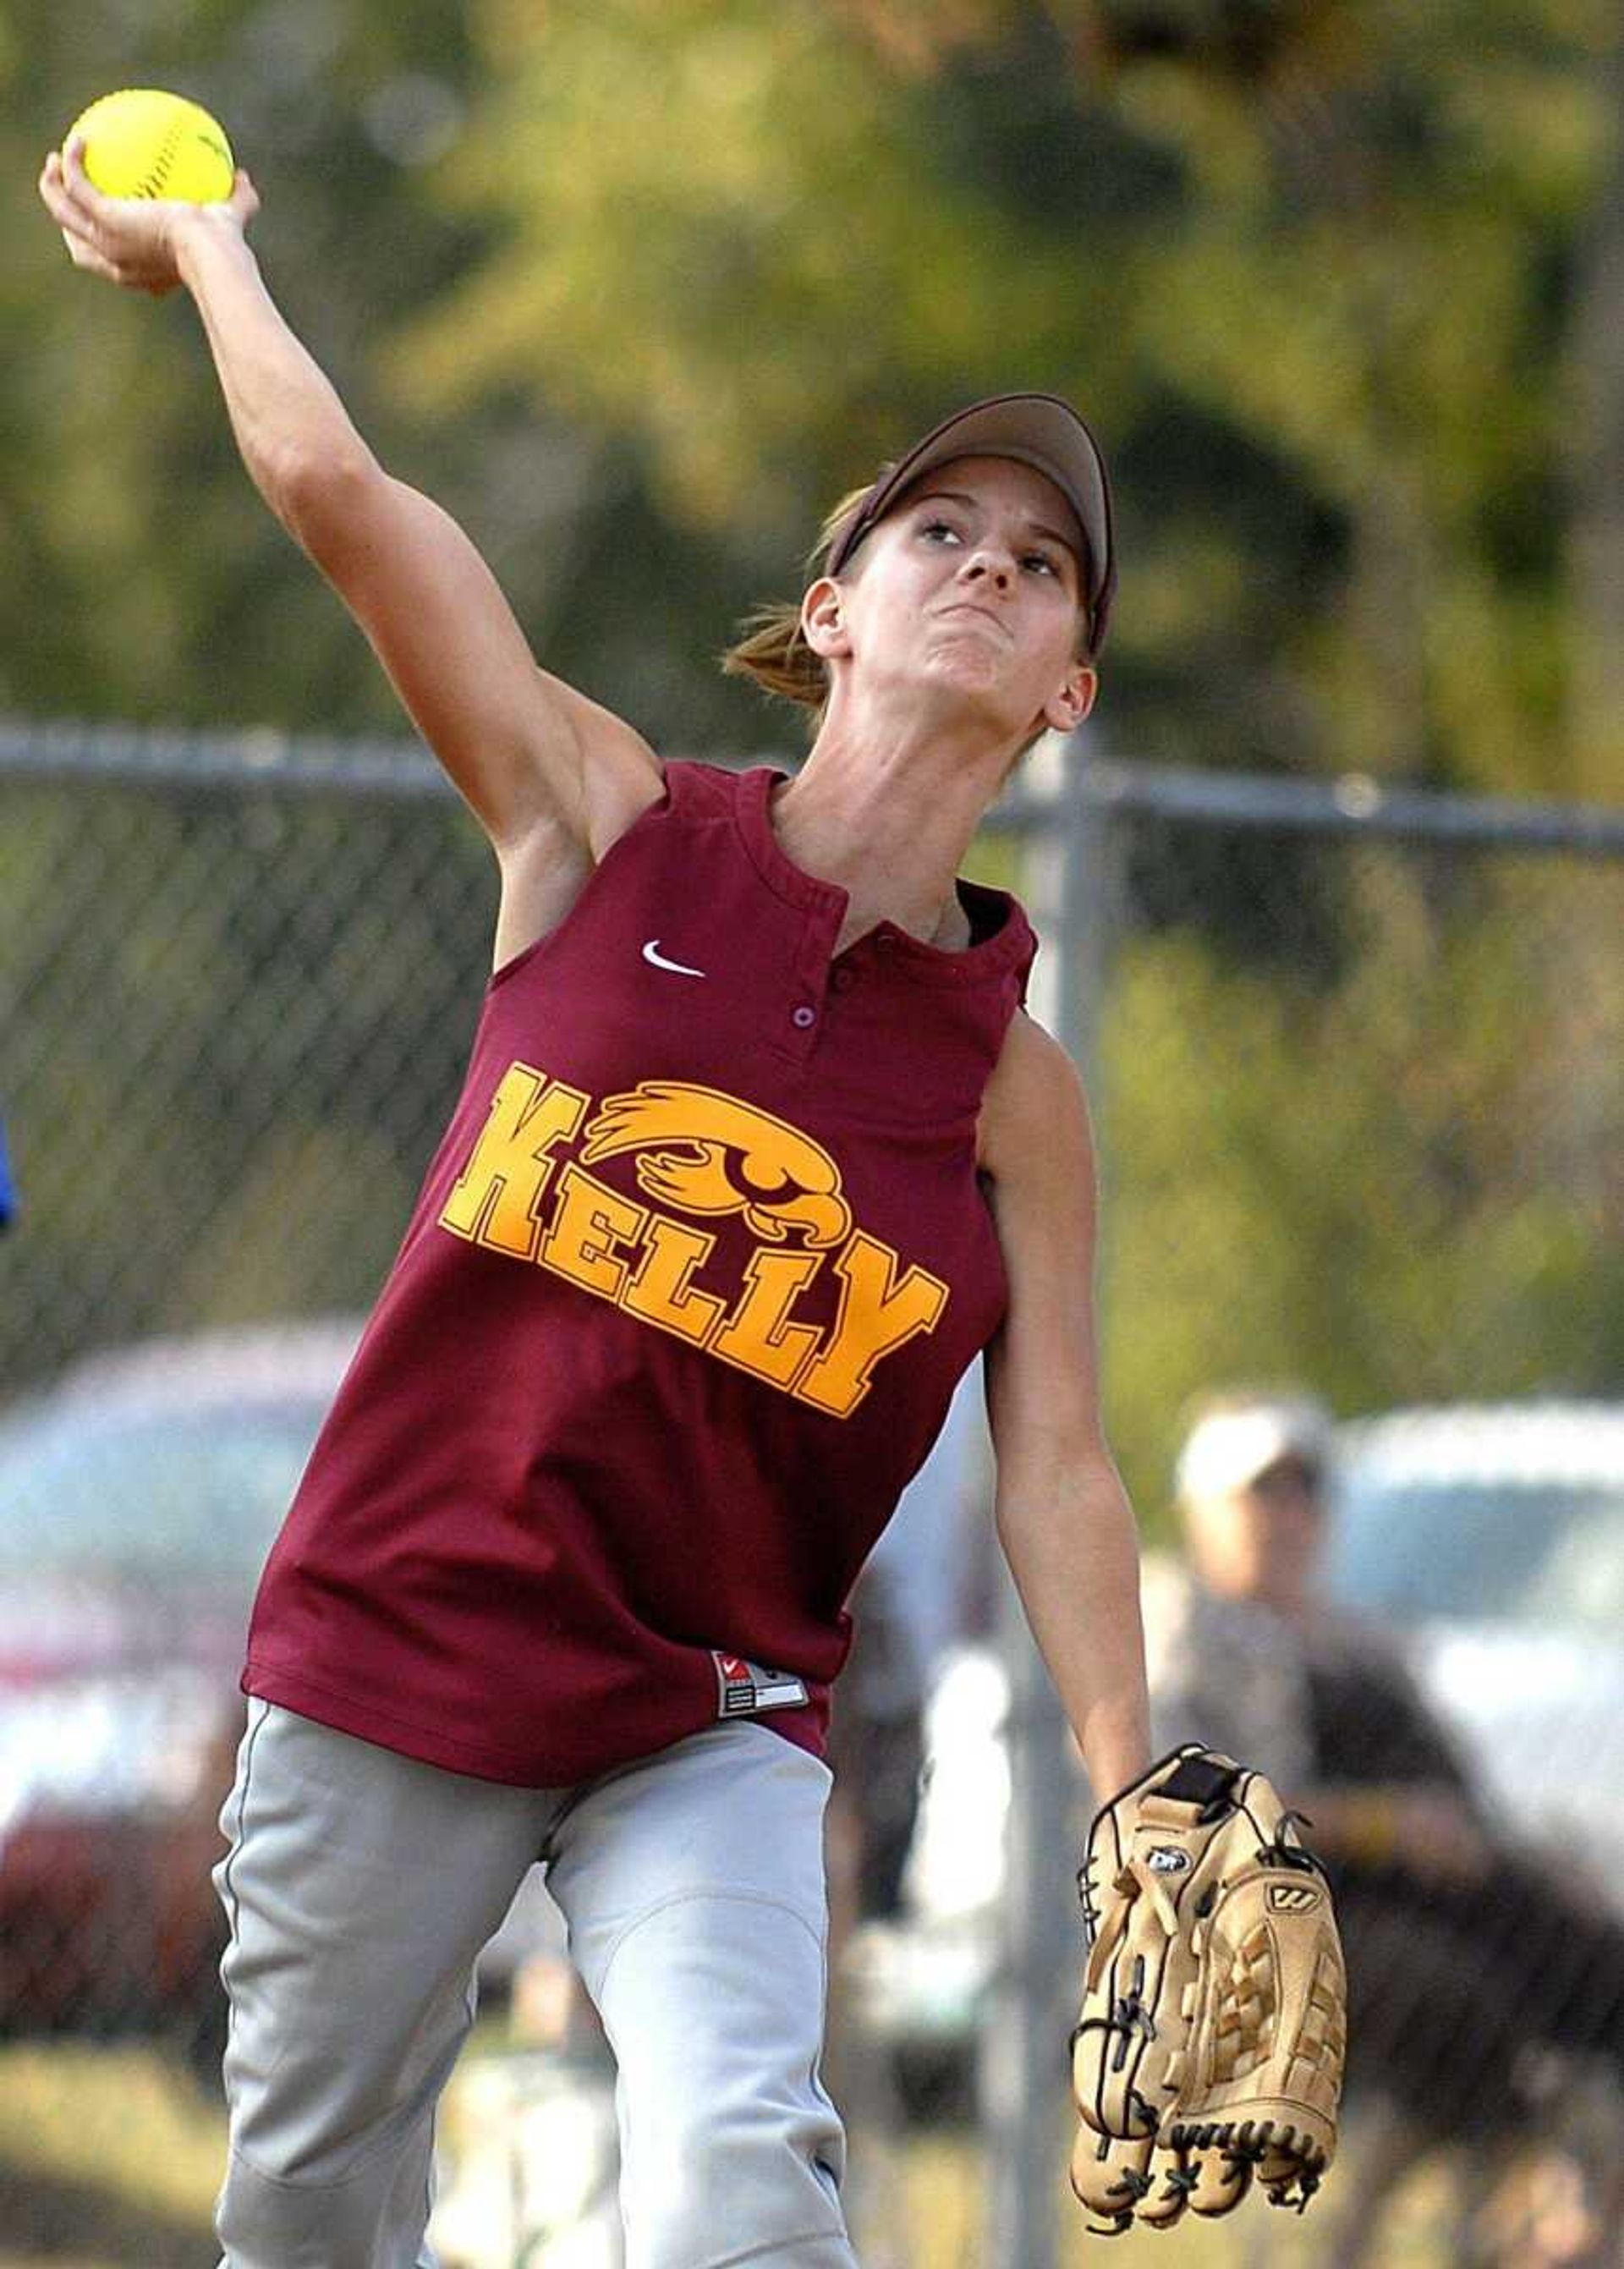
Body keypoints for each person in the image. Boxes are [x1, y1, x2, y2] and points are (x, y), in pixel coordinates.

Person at [39, 138, 1151, 2269]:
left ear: (1069, 693)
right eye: (941, 528)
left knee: (742, 2180)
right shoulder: (604, 824)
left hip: (705, 1712)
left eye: (1042, 565)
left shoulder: (1016, 1096)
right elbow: (346, 510)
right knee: (304, 2220)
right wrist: (214, 260)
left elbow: (1067, 1467)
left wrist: (1130, 1784)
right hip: (401, 1641)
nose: (991, 569)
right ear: (829, 612)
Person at [1149, 1389, 1624, 2263]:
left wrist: (1536, 1858)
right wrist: (1386, 1827)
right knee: (1459, 2011)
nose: (1288, 1517)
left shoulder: (1359, 1636)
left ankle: (1580, 2211)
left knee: (1597, 1954)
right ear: (1203, 1512)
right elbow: (1216, 1817)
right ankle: (1511, 2210)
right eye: (1264, 1494)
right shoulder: (1187, 1634)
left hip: (1441, 1886)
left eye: (1305, 1493)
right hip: (1294, 1920)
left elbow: (1458, 1797)